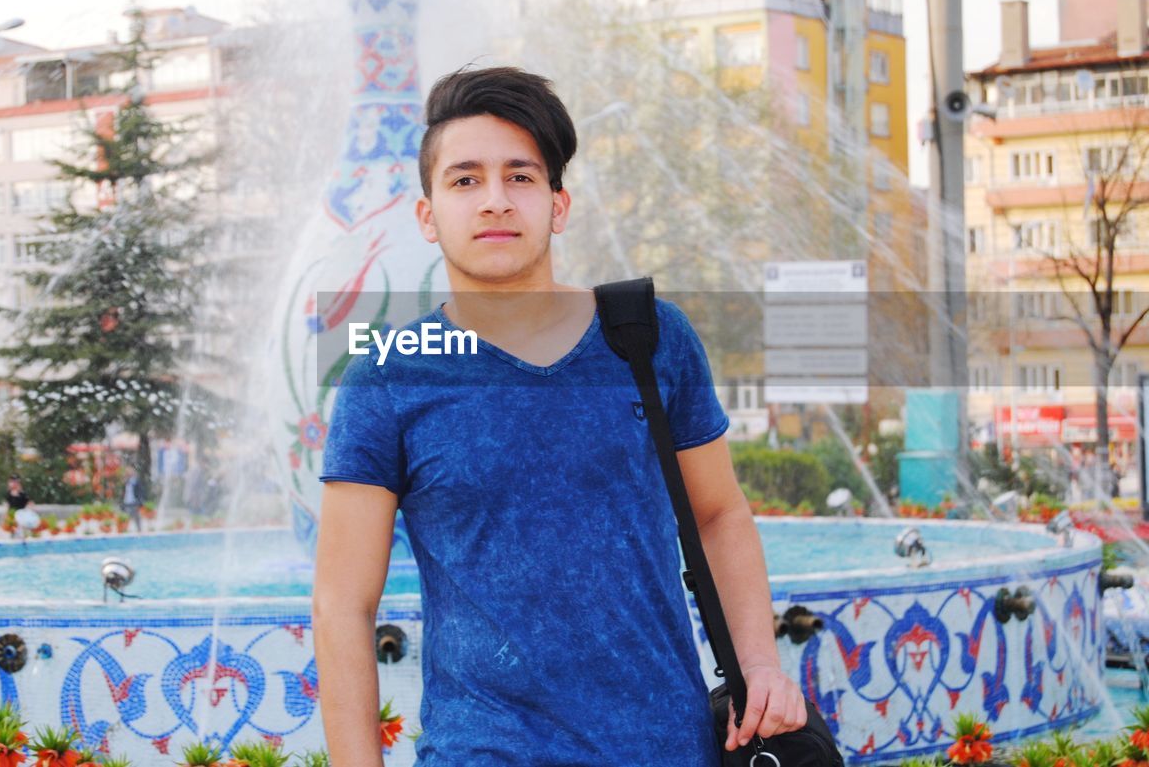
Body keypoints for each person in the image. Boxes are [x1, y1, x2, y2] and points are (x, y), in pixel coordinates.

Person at [313, 66, 806, 765]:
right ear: (427, 215)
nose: (494, 201)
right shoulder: (388, 377)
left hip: (665, 745)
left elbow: (719, 511)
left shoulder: (648, 338)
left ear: (558, 204)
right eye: (464, 179)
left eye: (520, 176)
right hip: (484, 750)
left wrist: (759, 663)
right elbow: (343, 604)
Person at [122, 466, 143, 532]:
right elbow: (123, 492)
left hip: (134, 502)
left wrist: (140, 501)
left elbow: (140, 491)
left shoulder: (136, 481)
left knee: (136, 517)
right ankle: (125, 530)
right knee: (126, 517)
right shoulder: (126, 482)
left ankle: (139, 530)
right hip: (126, 502)